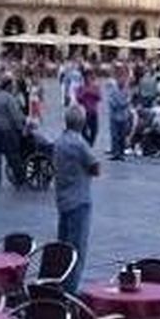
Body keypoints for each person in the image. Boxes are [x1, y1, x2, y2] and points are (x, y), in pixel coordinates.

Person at [52, 105, 100, 290]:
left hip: (63, 199)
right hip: (80, 199)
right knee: (77, 249)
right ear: (82, 122)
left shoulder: (60, 141)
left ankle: (60, 283)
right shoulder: (79, 143)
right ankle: (70, 289)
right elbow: (95, 167)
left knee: (63, 246)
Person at [0, 79, 26, 187]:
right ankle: (19, 177)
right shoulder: (9, 98)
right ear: (8, 86)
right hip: (6, 130)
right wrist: (21, 127)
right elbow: (15, 116)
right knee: (13, 155)